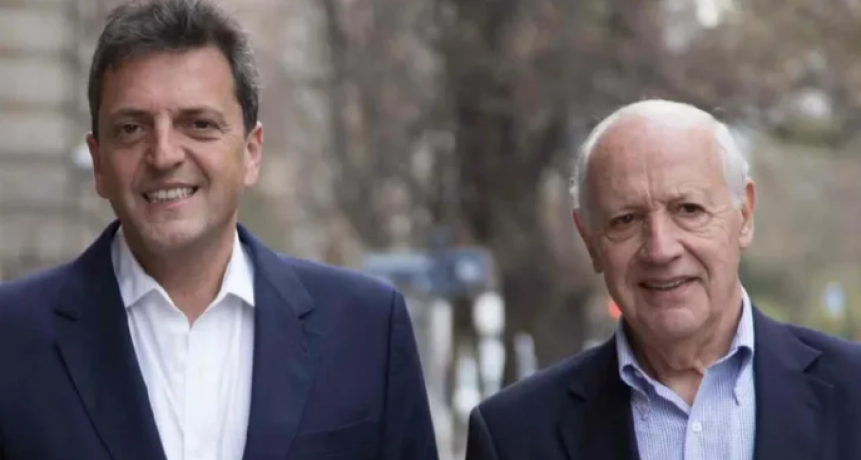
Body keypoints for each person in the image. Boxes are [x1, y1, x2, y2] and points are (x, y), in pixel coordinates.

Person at [0, 1, 438, 459]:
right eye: (131, 128)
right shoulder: (11, 339)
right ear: (98, 164)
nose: (164, 154)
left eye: (199, 124)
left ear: (251, 152)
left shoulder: (366, 330)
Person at [465, 99, 861, 460]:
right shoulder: (513, 437)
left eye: (688, 210)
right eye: (626, 220)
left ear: (744, 215)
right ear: (589, 240)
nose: (660, 249)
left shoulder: (853, 392)